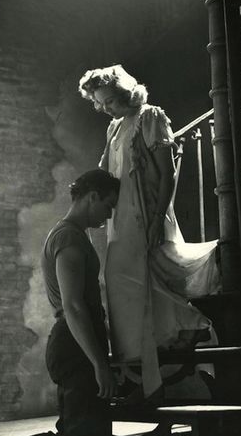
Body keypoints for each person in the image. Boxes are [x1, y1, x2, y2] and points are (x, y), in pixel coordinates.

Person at [79, 65, 220, 401]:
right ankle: (147, 389)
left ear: (125, 92)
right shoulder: (114, 128)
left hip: (147, 216)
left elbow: (167, 174)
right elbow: (105, 173)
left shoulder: (150, 116)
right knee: (121, 294)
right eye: (100, 104)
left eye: (109, 100)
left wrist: (158, 217)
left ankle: (190, 358)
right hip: (119, 222)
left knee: (154, 294)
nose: (105, 108)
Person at [42, 169, 120, 436]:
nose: (109, 215)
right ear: (92, 197)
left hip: (76, 345)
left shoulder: (74, 235)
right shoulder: (69, 238)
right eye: (108, 206)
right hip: (75, 347)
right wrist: (100, 364)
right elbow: (73, 306)